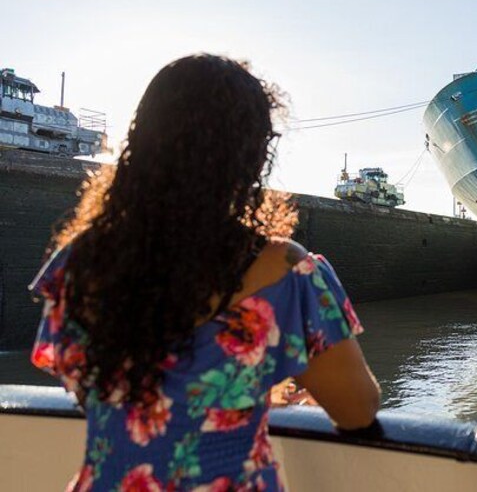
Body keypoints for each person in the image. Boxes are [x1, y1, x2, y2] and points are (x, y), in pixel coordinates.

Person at [29, 54, 381, 491]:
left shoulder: (80, 263)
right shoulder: (286, 272)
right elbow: (358, 410)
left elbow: (99, 393)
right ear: (252, 155)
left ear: (142, 140)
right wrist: (242, 382)